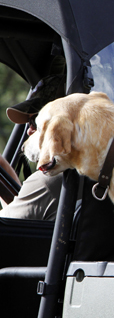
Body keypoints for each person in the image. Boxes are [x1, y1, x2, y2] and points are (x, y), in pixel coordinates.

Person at [0, 74, 66, 220]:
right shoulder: (94, 173)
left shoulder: (49, 179)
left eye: (35, 121)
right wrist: (3, 166)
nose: (29, 130)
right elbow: (23, 209)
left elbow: (5, 227)